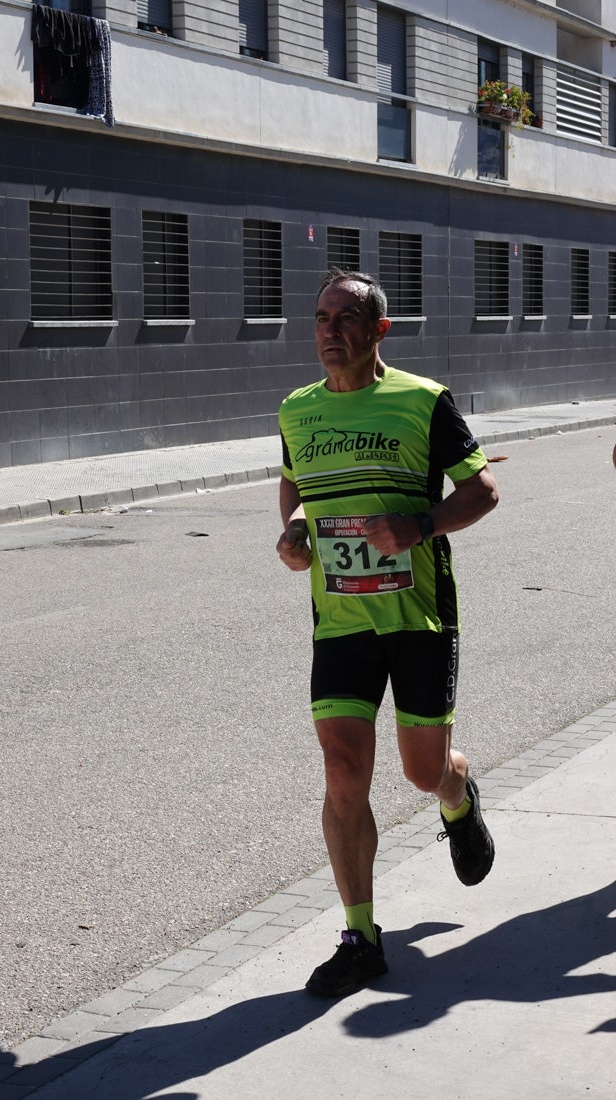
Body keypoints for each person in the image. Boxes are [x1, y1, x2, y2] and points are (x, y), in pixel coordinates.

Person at [276, 269, 500, 998]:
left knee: (418, 770)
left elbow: (481, 489)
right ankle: (360, 936)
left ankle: (456, 790)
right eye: (319, 318)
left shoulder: (422, 400)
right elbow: (296, 486)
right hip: (339, 619)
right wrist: (294, 529)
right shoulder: (296, 410)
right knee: (342, 769)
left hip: (418, 619)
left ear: (378, 330)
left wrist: (420, 525)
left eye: (345, 318)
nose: (328, 330)